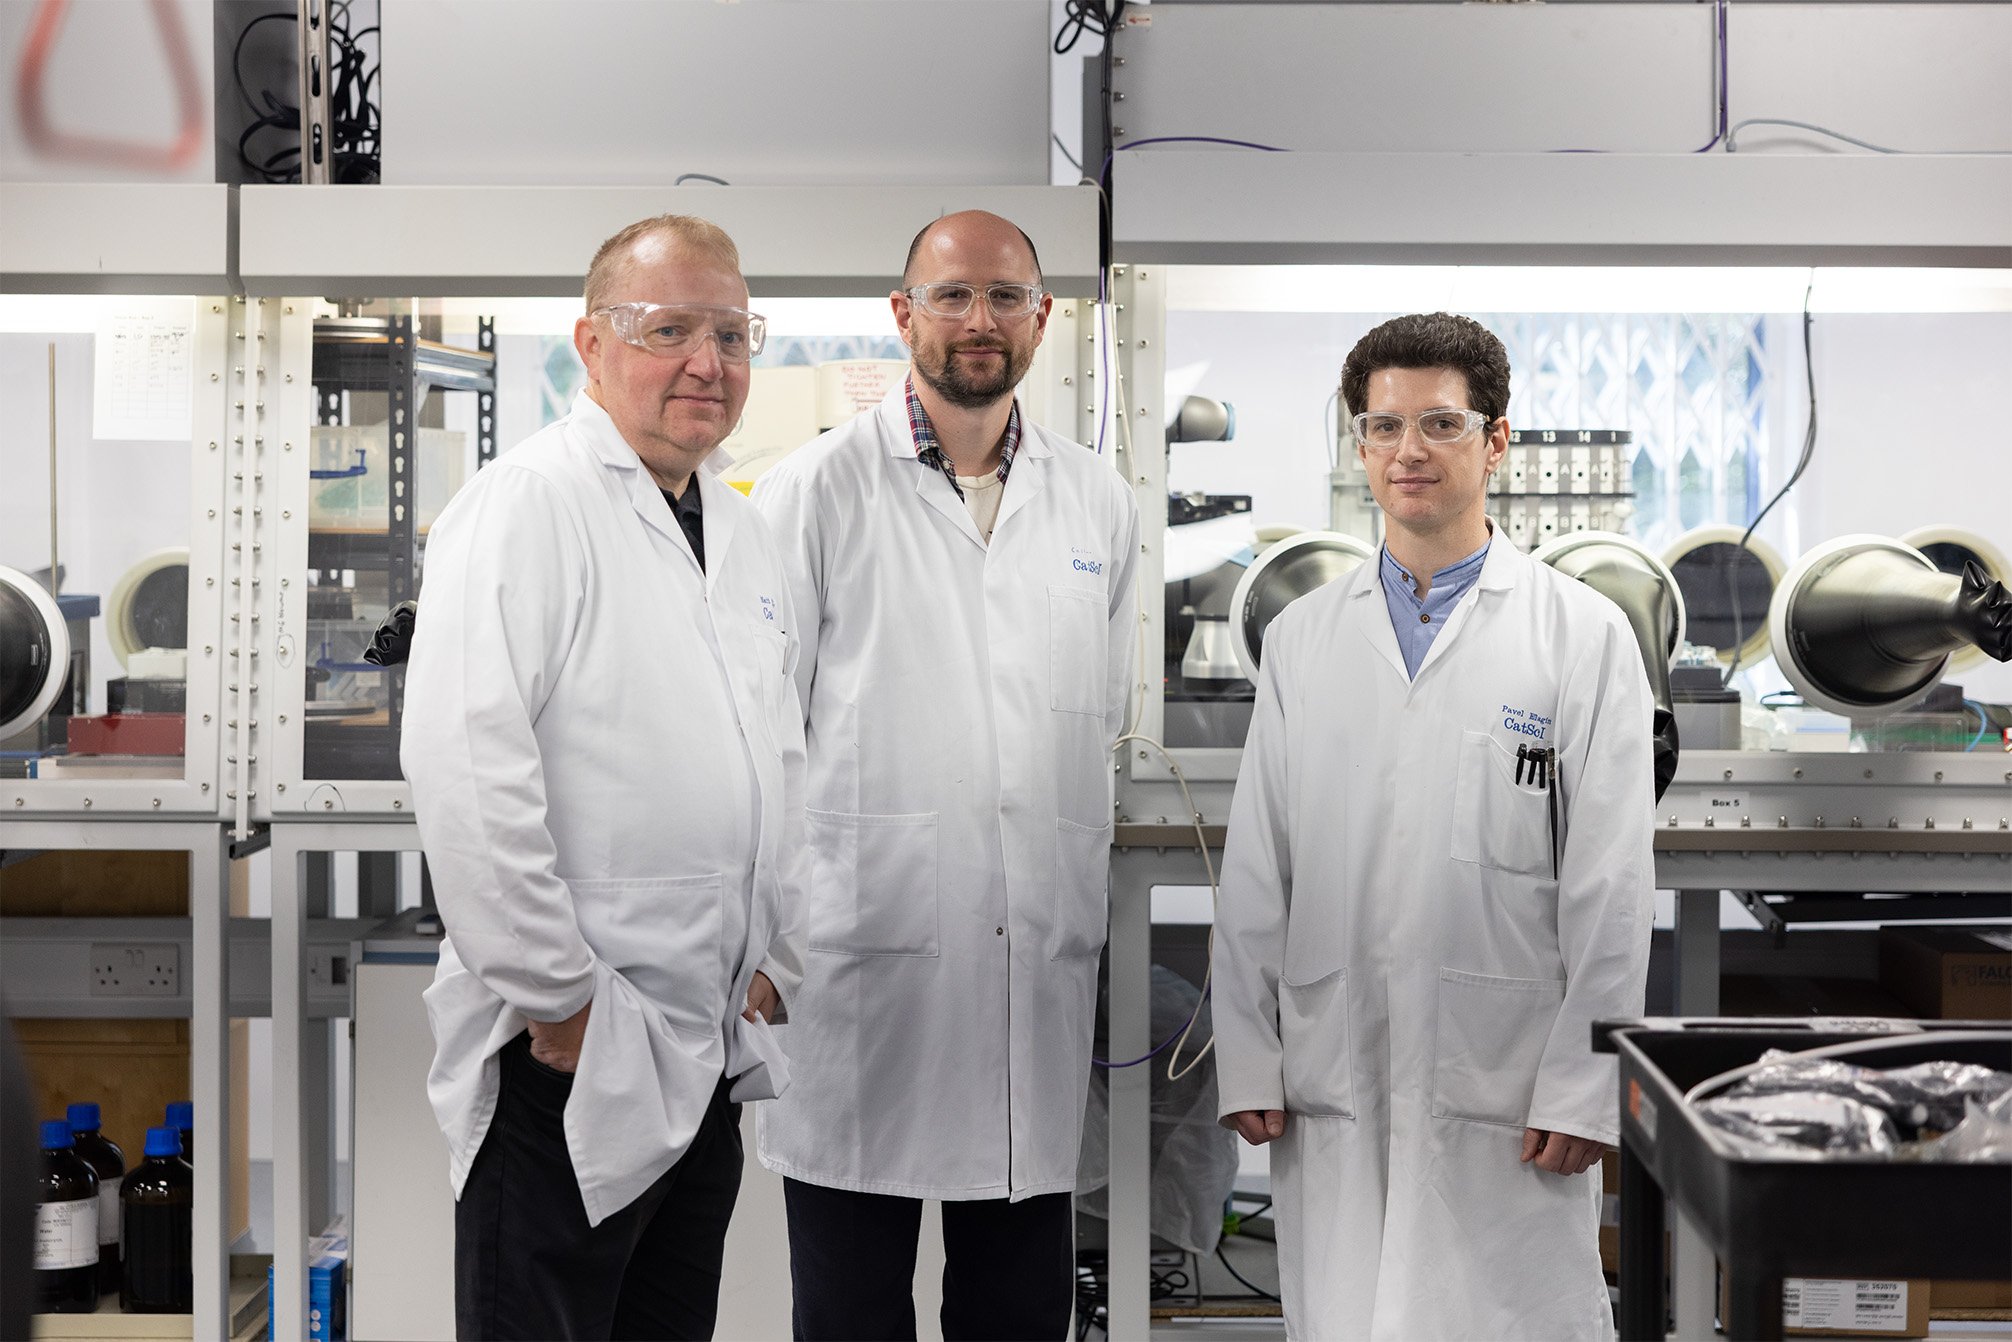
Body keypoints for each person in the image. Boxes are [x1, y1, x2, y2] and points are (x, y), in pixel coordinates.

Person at [401, 213, 807, 1342]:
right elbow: (468, 768)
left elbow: (777, 754)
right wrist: (559, 1002)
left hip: (703, 1046)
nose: (705, 362)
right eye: (666, 328)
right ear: (589, 345)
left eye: (730, 334)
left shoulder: (736, 530)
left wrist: (774, 950)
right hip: (568, 1056)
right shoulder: (527, 503)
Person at [1212, 313, 1654, 1339]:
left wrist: (1586, 1081)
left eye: (1439, 424)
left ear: (1495, 441)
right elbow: (1255, 867)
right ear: (1356, 444)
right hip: (1336, 1066)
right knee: (1345, 1312)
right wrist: (1245, 1049)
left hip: (1501, 1077)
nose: (1407, 450)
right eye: (1381, 426)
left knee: (1507, 1316)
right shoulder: (1303, 638)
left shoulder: (1577, 637)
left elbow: (1609, 883)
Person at [750, 210, 1139, 1341]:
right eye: (955, 295)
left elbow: (1093, 717)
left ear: (1043, 318)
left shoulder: (1093, 501)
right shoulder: (815, 491)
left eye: (1006, 297)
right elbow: (762, 733)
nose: (981, 321)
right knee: (850, 1311)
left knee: (1016, 1313)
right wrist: (764, 933)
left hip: (1030, 972)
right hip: (855, 970)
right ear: (903, 313)